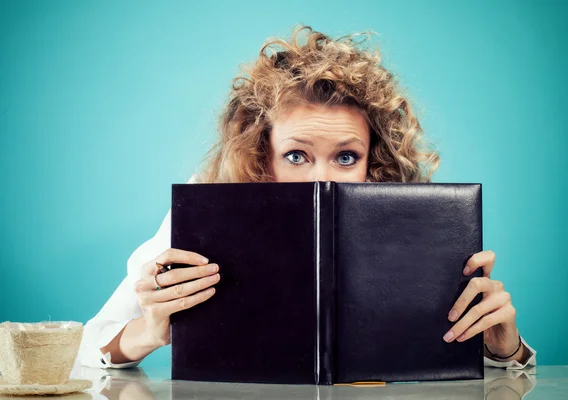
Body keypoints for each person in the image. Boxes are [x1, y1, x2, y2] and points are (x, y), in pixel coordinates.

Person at [78, 26, 536, 370]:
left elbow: (501, 374)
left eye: (345, 157)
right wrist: (148, 331)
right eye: (296, 155)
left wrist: (506, 350)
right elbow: (84, 347)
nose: (321, 179)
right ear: (262, 155)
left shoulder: (417, 224)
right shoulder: (207, 210)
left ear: (373, 160)